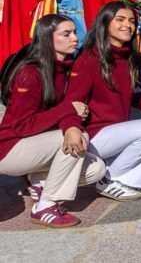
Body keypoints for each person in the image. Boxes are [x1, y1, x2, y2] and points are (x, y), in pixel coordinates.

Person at [66, 1, 141, 200]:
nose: (127, 25)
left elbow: (138, 98)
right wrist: (70, 128)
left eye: (131, 21)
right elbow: (73, 101)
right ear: (105, 23)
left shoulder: (128, 58)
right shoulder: (89, 58)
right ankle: (110, 182)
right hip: (95, 137)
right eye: (119, 20)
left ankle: (110, 175)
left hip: (120, 135)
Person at [0, 14, 105, 227]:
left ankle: (39, 181)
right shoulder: (31, 72)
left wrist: (73, 117)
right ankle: (46, 205)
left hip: (38, 146)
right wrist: (69, 112)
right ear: (48, 38)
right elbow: (21, 126)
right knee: (79, 138)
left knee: (97, 169)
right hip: (10, 150)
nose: (74, 38)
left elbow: (65, 109)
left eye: (75, 32)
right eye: (66, 34)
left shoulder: (67, 68)